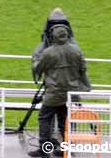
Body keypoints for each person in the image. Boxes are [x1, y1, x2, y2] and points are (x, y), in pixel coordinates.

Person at [28, 25, 90, 158]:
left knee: (44, 118)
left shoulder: (48, 52)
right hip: (71, 95)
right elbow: (83, 69)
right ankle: (65, 150)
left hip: (53, 95)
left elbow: (38, 69)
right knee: (65, 122)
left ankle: (44, 150)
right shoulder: (76, 50)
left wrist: (34, 59)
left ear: (53, 36)